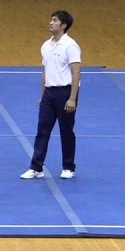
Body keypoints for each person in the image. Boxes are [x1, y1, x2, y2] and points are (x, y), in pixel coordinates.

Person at [22, 10, 81, 180]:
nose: (50, 22)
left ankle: (68, 167)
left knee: (66, 131)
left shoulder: (70, 46)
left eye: (54, 21)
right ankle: (36, 167)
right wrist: (42, 95)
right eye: (51, 20)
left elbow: (76, 73)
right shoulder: (46, 45)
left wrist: (72, 98)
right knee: (42, 130)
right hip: (49, 93)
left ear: (63, 25)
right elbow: (44, 71)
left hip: (65, 92)